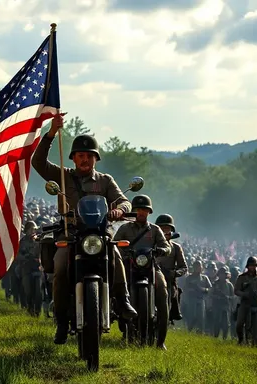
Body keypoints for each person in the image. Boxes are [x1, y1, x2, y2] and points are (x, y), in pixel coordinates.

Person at [31, 113, 137, 345]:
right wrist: (50, 134)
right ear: (73, 158)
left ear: (95, 159)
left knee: (116, 257)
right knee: (60, 267)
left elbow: (124, 201)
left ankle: (123, 299)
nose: (85, 159)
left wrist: (120, 210)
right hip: (71, 233)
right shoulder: (63, 176)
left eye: (89, 156)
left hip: (100, 234)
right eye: (80, 155)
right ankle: (60, 321)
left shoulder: (105, 180)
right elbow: (37, 163)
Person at [113, 194, 171, 349]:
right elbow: (114, 244)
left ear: (149, 212)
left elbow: (167, 246)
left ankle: (161, 341)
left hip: (151, 267)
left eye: (144, 210)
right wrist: (123, 251)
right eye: (138, 209)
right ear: (134, 211)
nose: (141, 212)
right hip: (129, 266)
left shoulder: (155, 229)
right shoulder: (124, 228)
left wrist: (161, 250)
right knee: (116, 286)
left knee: (163, 291)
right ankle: (119, 312)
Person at [154, 213, 188, 322]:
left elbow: (183, 267)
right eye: (161, 229)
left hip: (168, 280)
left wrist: (174, 273)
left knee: (171, 295)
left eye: (167, 229)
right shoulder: (150, 245)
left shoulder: (176, 248)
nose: (164, 232)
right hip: (151, 277)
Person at [234, 256, 257, 346]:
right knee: (239, 324)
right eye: (251, 265)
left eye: (254, 266)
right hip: (245, 303)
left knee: (255, 326)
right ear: (248, 266)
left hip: (256, 304)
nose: (253, 267)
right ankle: (241, 340)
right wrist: (244, 294)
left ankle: (255, 344)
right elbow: (236, 290)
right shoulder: (242, 277)